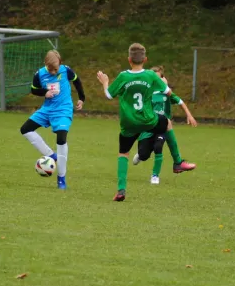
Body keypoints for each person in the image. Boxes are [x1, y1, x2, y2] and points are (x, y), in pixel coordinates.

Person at [96, 43, 194, 201]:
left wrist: (105, 82)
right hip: (148, 120)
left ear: (129, 60)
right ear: (145, 59)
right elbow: (168, 92)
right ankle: (177, 162)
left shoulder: (123, 76)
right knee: (167, 122)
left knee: (123, 153)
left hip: (128, 123)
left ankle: (121, 190)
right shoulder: (150, 75)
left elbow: (109, 95)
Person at [19, 50, 85, 190]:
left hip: (63, 109)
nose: (53, 72)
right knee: (25, 129)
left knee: (61, 137)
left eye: (55, 69)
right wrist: (45, 92)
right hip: (47, 109)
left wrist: (81, 98)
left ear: (60, 63)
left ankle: (61, 178)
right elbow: (34, 90)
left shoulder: (66, 70)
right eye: (50, 69)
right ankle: (51, 155)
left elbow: (77, 82)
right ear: (45, 65)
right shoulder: (39, 74)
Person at [132, 65, 197, 184]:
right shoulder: (146, 93)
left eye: (158, 78)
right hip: (148, 128)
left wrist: (189, 115)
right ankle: (141, 156)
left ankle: (158, 174)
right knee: (144, 154)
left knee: (159, 144)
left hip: (162, 127)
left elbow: (180, 102)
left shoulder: (166, 92)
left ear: (163, 78)